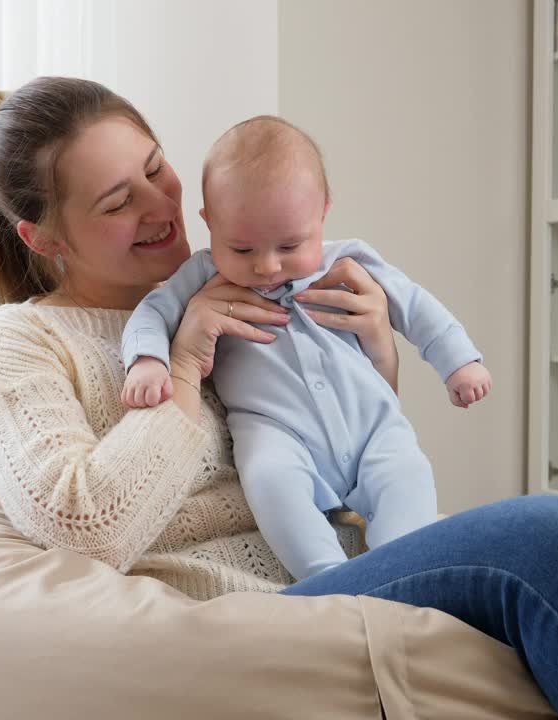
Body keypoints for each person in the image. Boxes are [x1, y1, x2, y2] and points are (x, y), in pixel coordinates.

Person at [0, 76, 558, 719]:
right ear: (45, 237)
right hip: (248, 611)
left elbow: (336, 446)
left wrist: (375, 343)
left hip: (353, 551)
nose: (160, 205)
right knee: (542, 536)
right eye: (118, 199)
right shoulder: (22, 341)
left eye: (156, 169)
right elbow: (81, 524)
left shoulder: (228, 273)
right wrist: (182, 370)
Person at [119, 115, 492, 580]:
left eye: (291, 244)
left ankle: (404, 576)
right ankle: (329, 579)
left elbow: (415, 304)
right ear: (209, 222)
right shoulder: (202, 276)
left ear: (323, 214)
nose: (267, 266)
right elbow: (152, 312)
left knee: (408, 476)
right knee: (270, 481)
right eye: (242, 249)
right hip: (274, 429)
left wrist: (459, 361)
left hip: (373, 423)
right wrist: (149, 361)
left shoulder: (348, 260)